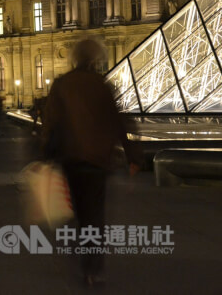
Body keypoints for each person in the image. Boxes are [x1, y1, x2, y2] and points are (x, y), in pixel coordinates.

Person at [42, 38, 141, 287]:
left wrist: (44, 155)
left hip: (71, 158)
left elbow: (50, 122)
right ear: (95, 59)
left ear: (75, 58)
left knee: (78, 211)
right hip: (98, 160)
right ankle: (93, 267)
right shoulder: (102, 85)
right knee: (95, 215)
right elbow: (119, 122)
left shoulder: (62, 84)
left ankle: (83, 254)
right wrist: (132, 155)